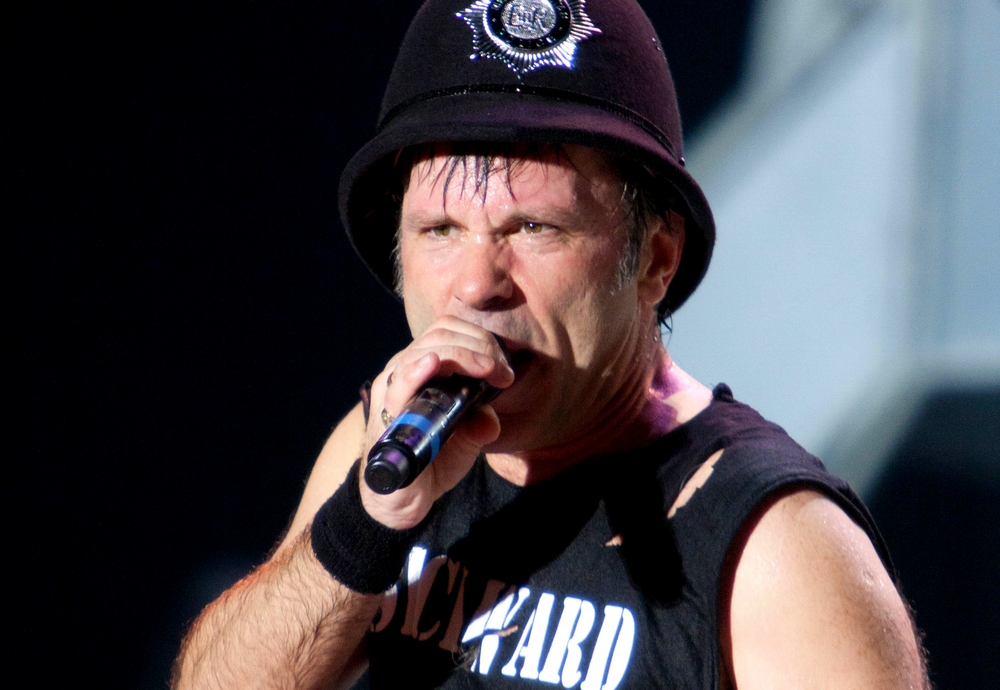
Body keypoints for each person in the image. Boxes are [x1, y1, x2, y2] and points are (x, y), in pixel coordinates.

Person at [173, 1, 929, 688]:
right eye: (440, 230)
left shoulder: (777, 549)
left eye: (534, 228)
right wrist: (361, 530)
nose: (478, 285)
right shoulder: (387, 449)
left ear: (656, 258)